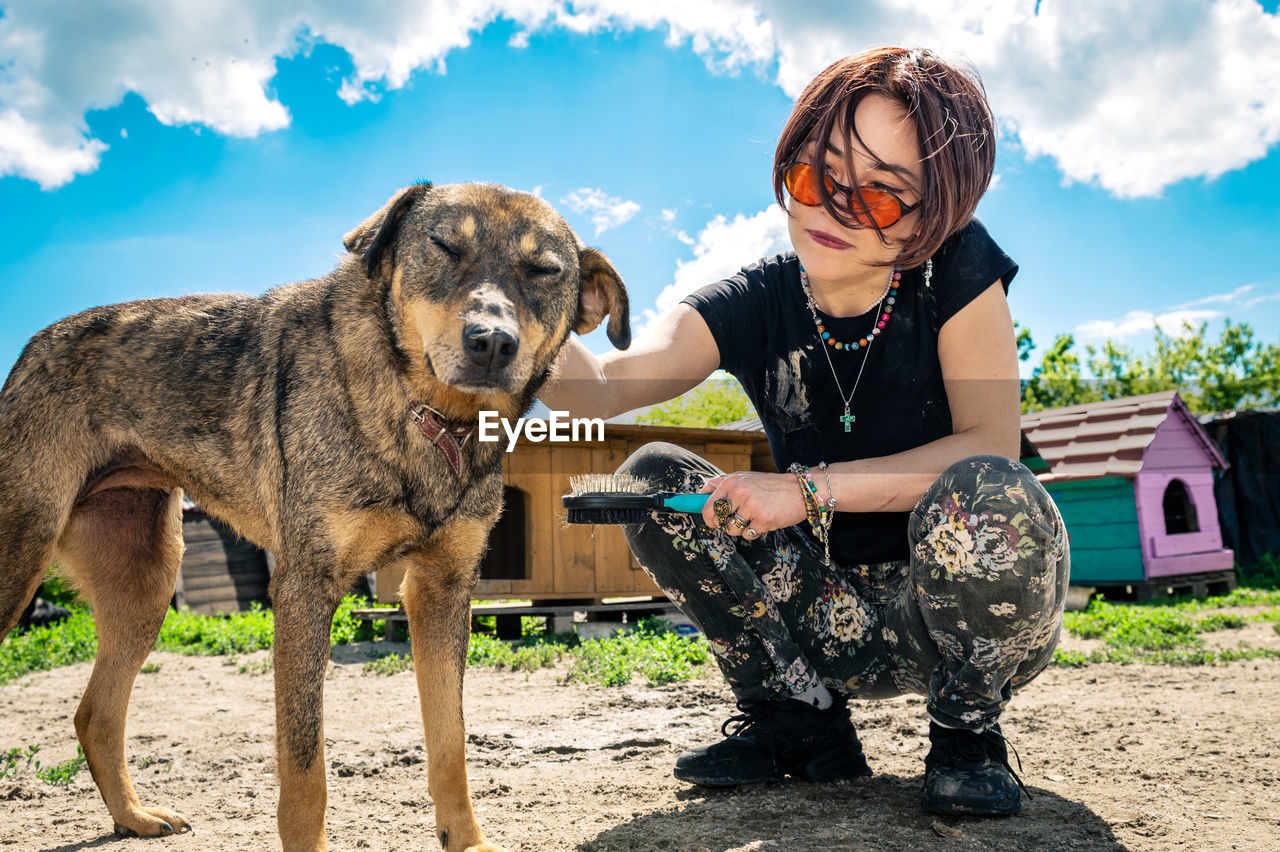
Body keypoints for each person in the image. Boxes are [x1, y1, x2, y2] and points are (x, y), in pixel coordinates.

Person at [539, 46, 1069, 817]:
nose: (835, 210)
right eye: (819, 176)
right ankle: (800, 722)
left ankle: (967, 734)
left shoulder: (957, 269)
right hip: (824, 613)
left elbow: (991, 442)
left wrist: (805, 490)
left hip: (954, 618)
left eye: (884, 196)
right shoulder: (754, 298)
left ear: (934, 216)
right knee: (656, 478)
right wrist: (512, 305)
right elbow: (600, 389)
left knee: (993, 487)